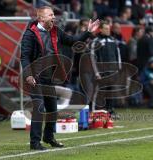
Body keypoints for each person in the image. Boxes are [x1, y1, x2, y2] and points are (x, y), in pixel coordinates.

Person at [20, 6, 99, 150]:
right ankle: (35, 143)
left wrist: (87, 32)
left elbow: (73, 40)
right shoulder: (29, 34)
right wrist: (29, 75)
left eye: (53, 14)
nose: (54, 17)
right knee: (39, 108)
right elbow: (24, 57)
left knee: (52, 110)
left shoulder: (56, 31)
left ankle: (49, 137)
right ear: (41, 18)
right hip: (35, 77)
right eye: (50, 15)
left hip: (49, 77)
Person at [90, 20, 121, 113]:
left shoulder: (113, 40)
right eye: (106, 29)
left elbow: (117, 55)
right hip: (101, 72)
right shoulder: (96, 41)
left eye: (109, 29)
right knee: (98, 92)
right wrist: (96, 72)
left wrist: (118, 69)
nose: (108, 30)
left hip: (112, 71)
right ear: (100, 29)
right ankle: (94, 111)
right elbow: (92, 58)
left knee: (111, 92)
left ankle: (110, 111)